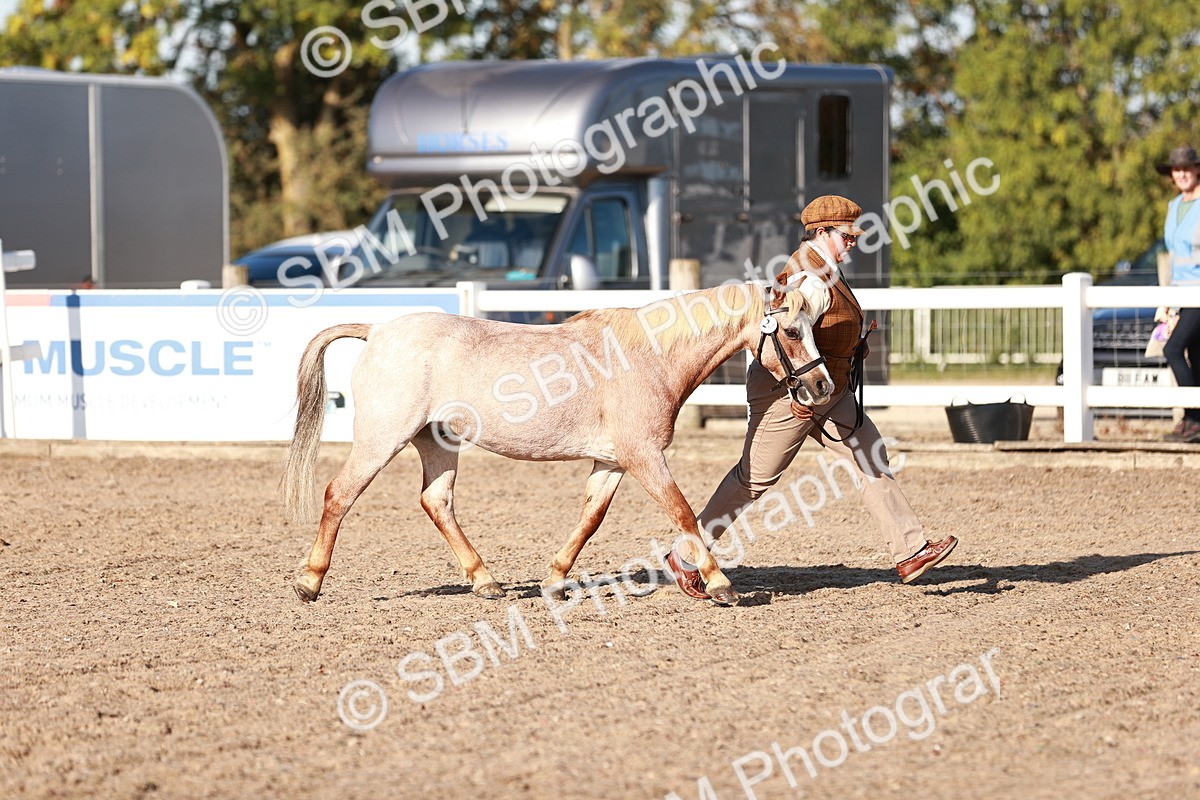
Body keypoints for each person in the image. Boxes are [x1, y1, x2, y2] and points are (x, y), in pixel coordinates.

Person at [664, 194, 958, 601]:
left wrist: (851, 346)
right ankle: (686, 555)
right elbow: (790, 332)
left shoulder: (826, 268)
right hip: (790, 392)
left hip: (828, 388)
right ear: (822, 233)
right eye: (846, 234)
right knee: (754, 479)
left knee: (868, 452)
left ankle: (910, 551)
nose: (853, 240)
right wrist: (798, 394)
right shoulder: (809, 279)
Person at [1158, 146, 1200, 442]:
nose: (1181, 173)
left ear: (1197, 170)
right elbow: (1173, 255)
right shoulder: (1174, 206)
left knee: (1172, 349)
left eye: (1186, 167)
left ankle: (1195, 417)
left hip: (1199, 290)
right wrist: (1168, 299)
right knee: (1195, 355)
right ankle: (1192, 421)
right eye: (1176, 169)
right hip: (1181, 292)